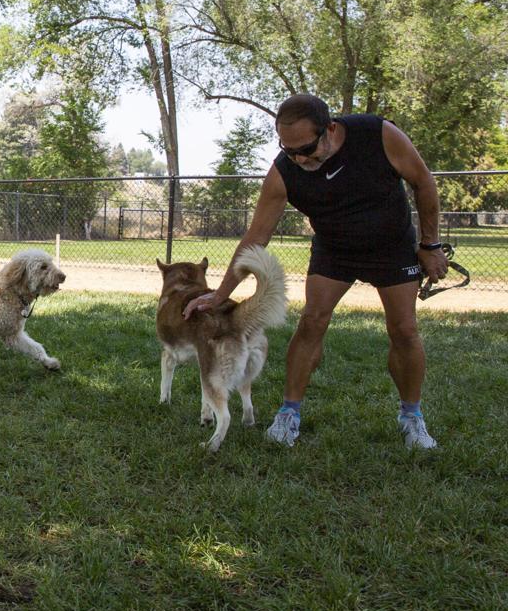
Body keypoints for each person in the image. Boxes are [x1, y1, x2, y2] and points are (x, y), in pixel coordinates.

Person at [183, 94, 448, 450]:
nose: (299, 159)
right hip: (334, 249)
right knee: (311, 322)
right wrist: (220, 294)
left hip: (391, 246)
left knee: (404, 329)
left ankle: (412, 417)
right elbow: (256, 237)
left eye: (306, 148)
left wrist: (429, 244)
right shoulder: (284, 171)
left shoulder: (377, 134)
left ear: (330, 130)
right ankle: (289, 413)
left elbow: (424, 182)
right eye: (289, 150)